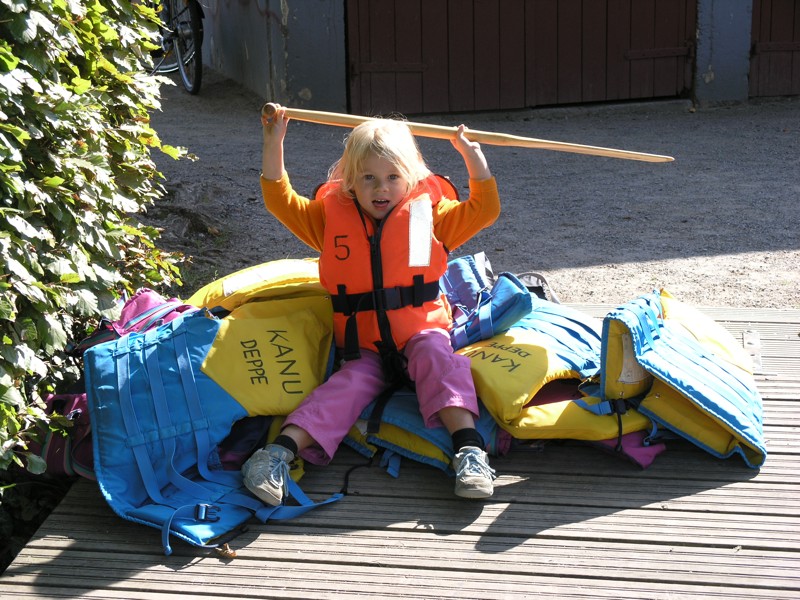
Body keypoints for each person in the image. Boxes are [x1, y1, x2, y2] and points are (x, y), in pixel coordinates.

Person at [242, 105, 501, 504]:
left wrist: (473, 157)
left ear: (411, 176)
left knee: (438, 358)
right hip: (362, 347)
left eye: (393, 177)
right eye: (369, 178)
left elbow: (485, 209)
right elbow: (280, 201)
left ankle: (470, 452)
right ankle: (275, 455)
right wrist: (273, 142)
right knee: (344, 386)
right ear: (349, 181)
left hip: (420, 332)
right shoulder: (329, 219)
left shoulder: (430, 216)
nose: (382, 189)